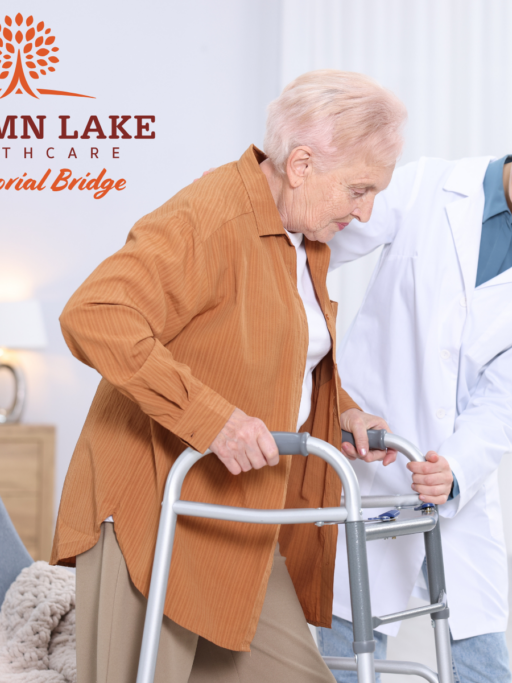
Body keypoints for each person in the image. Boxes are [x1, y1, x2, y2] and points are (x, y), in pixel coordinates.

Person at [49, 70, 407, 683]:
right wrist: (213, 421)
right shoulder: (209, 217)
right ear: (300, 164)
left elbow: (283, 355)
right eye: (358, 189)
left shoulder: (306, 240)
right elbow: (95, 314)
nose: (366, 210)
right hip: (153, 505)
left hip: (238, 513)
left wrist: (341, 410)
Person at [318, 83, 512, 683]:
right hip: (367, 457)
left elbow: (510, 394)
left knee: (482, 662)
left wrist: (456, 467)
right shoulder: (430, 186)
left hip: (457, 477)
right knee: (344, 651)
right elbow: (315, 247)